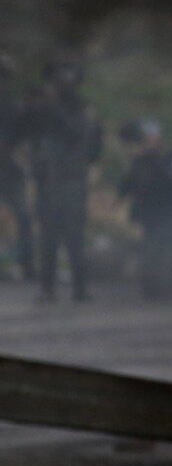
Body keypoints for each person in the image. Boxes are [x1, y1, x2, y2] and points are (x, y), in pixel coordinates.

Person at [23, 60, 100, 302]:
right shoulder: (43, 110)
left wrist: (52, 109)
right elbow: (28, 134)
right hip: (47, 181)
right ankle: (47, 288)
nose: (56, 84)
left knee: (73, 234)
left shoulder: (79, 110)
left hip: (70, 180)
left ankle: (79, 287)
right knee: (48, 237)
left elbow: (80, 136)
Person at [117, 118, 172, 298]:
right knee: (151, 250)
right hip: (150, 213)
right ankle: (153, 286)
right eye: (146, 138)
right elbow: (128, 184)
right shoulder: (139, 161)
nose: (149, 142)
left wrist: (155, 162)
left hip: (171, 211)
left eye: (152, 138)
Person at [0, 55, 31, 279]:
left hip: (9, 168)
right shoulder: (12, 104)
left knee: (21, 216)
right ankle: (24, 263)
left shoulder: (11, 105)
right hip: (10, 168)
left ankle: (25, 263)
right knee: (21, 216)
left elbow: (18, 138)